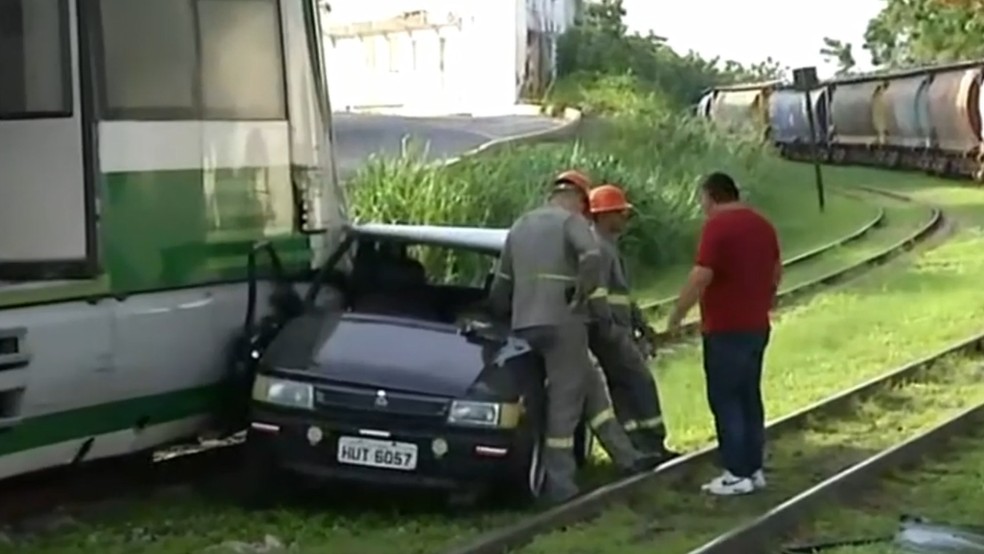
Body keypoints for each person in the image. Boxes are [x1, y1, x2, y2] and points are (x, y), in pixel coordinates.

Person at [489, 169, 663, 505]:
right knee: (565, 404)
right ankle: (561, 486)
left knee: (591, 387)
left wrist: (496, 314)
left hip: (525, 325)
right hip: (563, 324)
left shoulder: (521, 225)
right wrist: (586, 300)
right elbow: (592, 257)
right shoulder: (571, 223)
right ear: (581, 200)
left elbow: (502, 285)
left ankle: (627, 457)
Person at [666, 171, 781, 496]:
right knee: (749, 397)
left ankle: (736, 472)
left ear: (712, 195)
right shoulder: (763, 224)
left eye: (702, 198)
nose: (701, 205)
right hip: (757, 326)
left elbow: (702, 274)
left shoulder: (717, 227)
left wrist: (676, 314)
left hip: (725, 328)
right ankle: (753, 468)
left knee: (726, 399)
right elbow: (775, 270)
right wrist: (764, 301)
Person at [586, 183, 680, 462]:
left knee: (624, 391)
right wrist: (615, 332)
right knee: (640, 383)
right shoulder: (597, 250)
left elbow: (624, 296)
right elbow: (599, 297)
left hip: (618, 331)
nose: (625, 219)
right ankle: (651, 442)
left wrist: (642, 325)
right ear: (603, 216)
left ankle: (639, 445)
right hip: (612, 334)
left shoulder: (608, 247)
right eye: (619, 213)